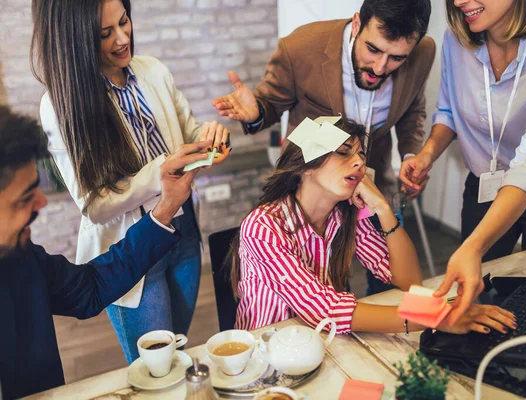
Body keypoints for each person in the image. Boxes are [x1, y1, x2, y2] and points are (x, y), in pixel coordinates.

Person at [31, 0, 232, 364]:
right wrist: (161, 172)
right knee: (155, 369)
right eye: (105, 33)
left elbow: (189, 133)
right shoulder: (62, 104)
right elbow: (94, 205)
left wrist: (212, 138)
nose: (123, 38)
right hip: (129, 254)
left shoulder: (153, 70)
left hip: (183, 233)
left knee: (178, 351)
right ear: (77, 38)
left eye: (124, 22)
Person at [213, 0, 435, 296]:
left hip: (373, 188)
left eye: (396, 58)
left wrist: (411, 154)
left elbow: (412, 108)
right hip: (313, 201)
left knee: (388, 286)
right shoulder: (301, 48)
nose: (380, 68)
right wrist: (257, 113)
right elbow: (269, 103)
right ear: (357, 24)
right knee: (325, 286)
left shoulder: (424, 53)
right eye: (373, 49)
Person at [229, 119, 516, 336]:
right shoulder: (264, 226)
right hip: (267, 354)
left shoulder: (344, 214)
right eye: (343, 153)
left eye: (360, 155)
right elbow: (324, 309)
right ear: (306, 167)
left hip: (323, 343)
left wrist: (382, 207)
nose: (359, 163)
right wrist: (438, 316)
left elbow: (407, 280)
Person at [399, 0, 526, 324]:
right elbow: (448, 111)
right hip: (486, 181)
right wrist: (427, 154)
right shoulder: (455, 40)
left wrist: (473, 248)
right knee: (476, 296)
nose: (459, 1)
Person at [0, 105, 210, 399]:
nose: (41, 203)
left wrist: (164, 210)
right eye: (24, 198)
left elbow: (91, 287)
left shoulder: (21, 260)